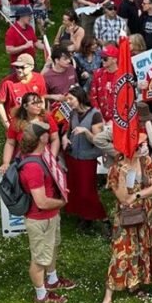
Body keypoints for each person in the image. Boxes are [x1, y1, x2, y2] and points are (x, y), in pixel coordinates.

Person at [93, 133, 152, 303]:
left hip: (145, 213)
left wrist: (138, 195)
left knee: (142, 249)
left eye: (145, 143)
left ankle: (134, 284)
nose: (145, 147)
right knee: (121, 252)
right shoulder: (116, 168)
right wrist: (124, 175)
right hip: (126, 218)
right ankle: (107, 298)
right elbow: (123, 198)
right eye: (141, 144)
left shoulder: (146, 161)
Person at [18, 122, 74, 303]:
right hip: (40, 219)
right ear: (41, 138)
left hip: (51, 216)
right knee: (40, 259)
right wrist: (63, 202)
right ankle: (41, 296)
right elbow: (41, 201)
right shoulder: (33, 167)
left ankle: (52, 280)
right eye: (47, 133)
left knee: (52, 248)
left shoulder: (42, 153)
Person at [62, 86, 107, 233]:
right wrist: (65, 138)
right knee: (75, 188)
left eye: (71, 99)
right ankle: (84, 217)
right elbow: (69, 131)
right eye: (67, 99)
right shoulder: (73, 113)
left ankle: (103, 219)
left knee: (87, 191)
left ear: (80, 98)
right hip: (73, 156)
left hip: (87, 158)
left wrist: (86, 131)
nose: (68, 102)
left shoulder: (95, 115)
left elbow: (98, 140)